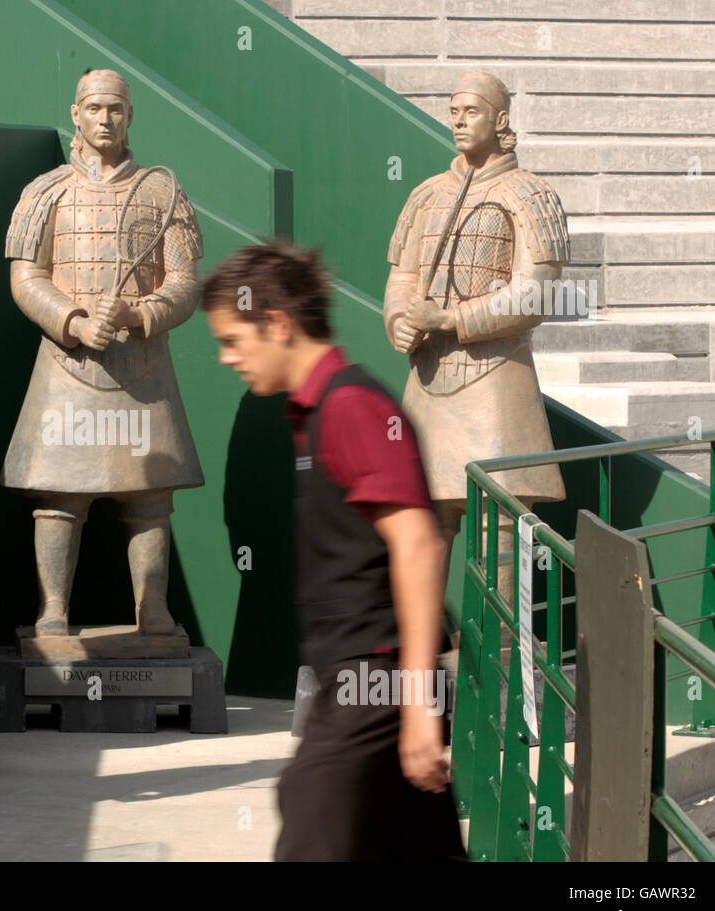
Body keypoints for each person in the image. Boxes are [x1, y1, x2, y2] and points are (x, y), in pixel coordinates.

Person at [203, 243, 465, 861]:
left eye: (234, 339)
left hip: (373, 689)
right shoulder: (315, 409)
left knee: (308, 829)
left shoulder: (352, 408)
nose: (226, 357)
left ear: (278, 324)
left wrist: (421, 706)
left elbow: (420, 546)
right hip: (361, 686)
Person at [1, 68, 204, 636]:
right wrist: (71, 320)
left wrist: (141, 315)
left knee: (149, 494)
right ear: (75, 114)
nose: (105, 119)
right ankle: (54, 611)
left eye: (115, 108)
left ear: (130, 114)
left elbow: (184, 283)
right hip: (70, 366)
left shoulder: (163, 191)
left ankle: (153, 611)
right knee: (61, 493)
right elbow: (27, 277)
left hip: (141, 366)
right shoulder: (47, 192)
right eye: (94, 108)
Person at [384, 71, 566, 596]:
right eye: (454, 111)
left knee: (499, 517)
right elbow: (403, 276)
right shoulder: (426, 194)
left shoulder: (530, 194)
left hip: (495, 378)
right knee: (426, 510)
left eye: (473, 112)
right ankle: (425, 637)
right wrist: (399, 319)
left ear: (501, 120)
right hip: (429, 374)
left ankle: (499, 647)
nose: (460, 121)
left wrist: (452, 319)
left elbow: (536, 293)